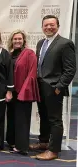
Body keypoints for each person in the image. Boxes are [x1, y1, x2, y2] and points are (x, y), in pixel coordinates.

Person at [29, 15, 76, 160]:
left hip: (54, 88)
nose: (49, 27)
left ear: (58, 26)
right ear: (42, 27)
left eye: (52, 25)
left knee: (55, 120)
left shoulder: (65, 43)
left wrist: (59, 87)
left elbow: (70, 70)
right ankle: (43, 142)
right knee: (43, 116)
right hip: (40, 87)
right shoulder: (40, 43)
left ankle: (53, 150)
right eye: (46, 25)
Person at [5, 30, 40, 155]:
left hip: (23, 92)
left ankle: (22, 146)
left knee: (22, 120)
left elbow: (32, 73)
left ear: (24, 40)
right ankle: (12, 142)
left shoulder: (29, 53)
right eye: (15, 39)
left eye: (20, 39)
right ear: (11, 40)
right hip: (11, 92)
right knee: (11, 118)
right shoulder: (9, 54)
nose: (17, 41)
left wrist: (24, 91)